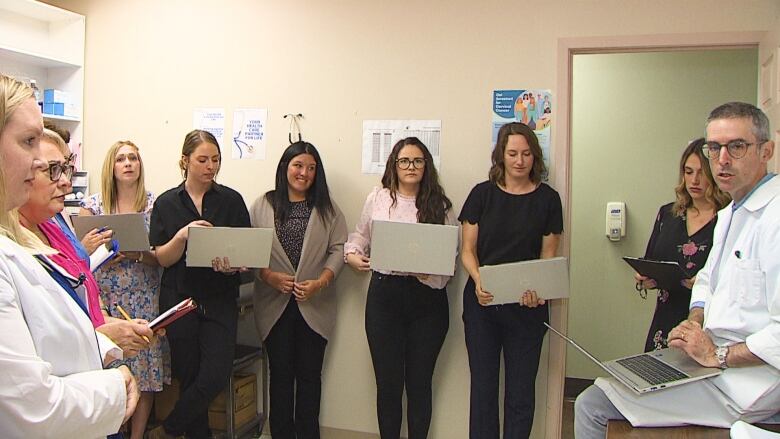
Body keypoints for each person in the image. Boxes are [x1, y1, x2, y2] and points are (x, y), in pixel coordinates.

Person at [575, 102, 780, 437]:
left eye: (737, 146)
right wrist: (694, 321)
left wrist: (718, 354)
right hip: (710, 363)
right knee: (626, 375)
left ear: (766, 151)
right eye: (715, 148)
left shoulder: (774, 216)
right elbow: (706, 282)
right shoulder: (732, 214)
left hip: (747, 384)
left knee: (592, 405)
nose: (722, 160)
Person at [0, 73, 136, 438]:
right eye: (28, 142)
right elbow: (32, 409)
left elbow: (54, 337)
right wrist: (115, 386)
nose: (39, 163)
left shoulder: (29, 240)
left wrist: (103, 347)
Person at [345, 137, 456, 439]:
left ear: (426, 166)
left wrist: (430, 273)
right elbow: (359, 236)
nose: (411, 167)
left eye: (418, 161)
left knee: (420, 384)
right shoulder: (378, 198)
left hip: (428, 302)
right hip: (385, 298)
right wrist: (353, 256)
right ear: (394, 164)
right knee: (388, 384)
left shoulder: (440, 205)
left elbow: (451, 258)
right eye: (404, 161)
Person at [459, 122, 562, 439]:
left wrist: (540, 290)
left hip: (526, 308)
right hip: (483, 305)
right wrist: (478, 280)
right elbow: (467, 250)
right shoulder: (481, 194)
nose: (520, 161)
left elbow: (548, 257)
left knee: (521, 392)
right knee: (483, 390)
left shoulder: (548, 199)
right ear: (500, 156)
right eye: (513, 153)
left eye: (527, 154)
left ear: (535, 157)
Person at [149, 129, 251, 439]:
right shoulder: (167, 203)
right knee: (189, 375)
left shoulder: (231, 200)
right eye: (203, 160)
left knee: (215, 374)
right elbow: (162, 258)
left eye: (216, 160)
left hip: (219, 296)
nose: (211, 167)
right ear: (185, 161)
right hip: (180, 298)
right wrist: (182, 235)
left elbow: (246, 252)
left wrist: (235, 264)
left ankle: (168, 429)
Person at [251, 141, 347, 439]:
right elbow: (247, 250)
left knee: (309, 378)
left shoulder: (327, 209)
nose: (304, 173)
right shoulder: (262, 205)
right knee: (280, 377)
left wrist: (321, 282)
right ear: (285, 168)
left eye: (311, 168)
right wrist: (268, 277)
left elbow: (339, 249)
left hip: (315, 306)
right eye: (298, 165)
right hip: (273, 305)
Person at [80, 140, 171, 439]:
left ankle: (138, 434)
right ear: (112, 166)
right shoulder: (92, 206)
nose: (129, 163)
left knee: (144, 369)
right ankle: (112, 431)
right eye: (121, 159)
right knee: (113, 363)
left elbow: (161, 254)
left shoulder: (156, 205)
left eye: (133, 157)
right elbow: (78, 257)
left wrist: (137, 253)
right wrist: (96, 248)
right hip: (106, 294)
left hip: (143, 292)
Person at [635, 138, 730, 351]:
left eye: (702, 172)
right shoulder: (668, 215)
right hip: (665, 319)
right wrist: (646, 278)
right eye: (688, 172)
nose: (694, 180)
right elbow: (651, 260)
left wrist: (707, 282)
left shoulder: (728, 218)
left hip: (709, 323)